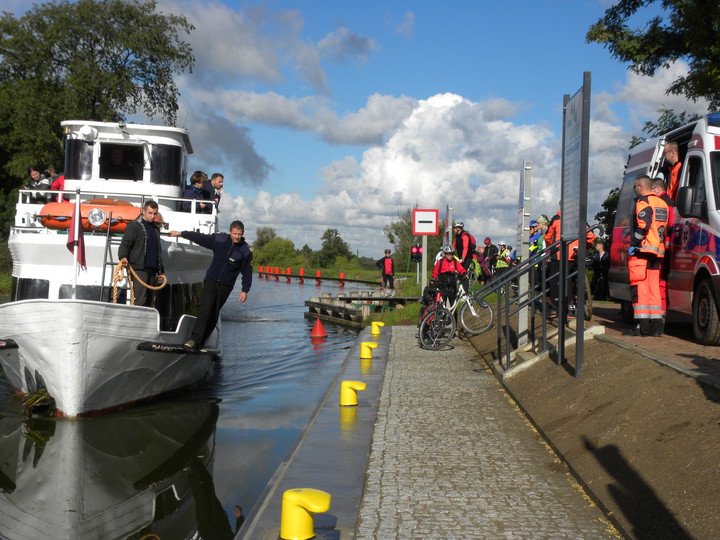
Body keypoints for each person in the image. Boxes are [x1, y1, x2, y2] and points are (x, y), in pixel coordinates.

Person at [169, 220, 253, 350]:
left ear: (243, 234)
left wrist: (245, 290)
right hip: (211, 280)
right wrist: (181, 233)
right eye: (235, 233)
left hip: (226, 286)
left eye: (239, 234)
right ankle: (194, 339)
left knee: (214, 314)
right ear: (230, 232)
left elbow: (247, 272)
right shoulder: (220, 239)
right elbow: (200, 238)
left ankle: (201, 342)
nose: (237, 237)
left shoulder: (245, 250)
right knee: (205, 310)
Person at [623, 175, 669, 337]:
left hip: (643, 251)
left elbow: (643, 225)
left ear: (641, 187)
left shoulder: (643, 202)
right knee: (654, 289)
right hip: (658, 251)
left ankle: (643, 328)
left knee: (641, 288)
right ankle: (657, 328)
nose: (634, 189)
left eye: (635, 186)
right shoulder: (662, 203)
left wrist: (634, 243)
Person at [118, 200, 166, 307]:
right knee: (141, 299)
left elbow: (158, 250)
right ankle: (137, 322)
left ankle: (147, 322)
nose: (153, 216)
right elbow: (125, 243)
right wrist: (123, 256)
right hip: (139, 268)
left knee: (150, 301)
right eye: (150, 213)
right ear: (144, 211)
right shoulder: (134, 226)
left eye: (155, 214)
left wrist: (161, 269)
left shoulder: (155, 229)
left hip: (153, 270)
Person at [652, 177, 675, 316]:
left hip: (662, 246)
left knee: (660, 279)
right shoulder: (668, 203)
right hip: (664, 245)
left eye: (652, 190)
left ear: (658, 189)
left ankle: (661, 310)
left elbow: (669, 225)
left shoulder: (662, 203)